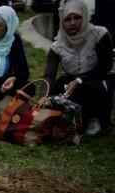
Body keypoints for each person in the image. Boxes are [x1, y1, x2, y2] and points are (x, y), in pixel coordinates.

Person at [43, 0, 113, 136]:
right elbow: (49, 75)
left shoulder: (99, 35)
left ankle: (95, 119)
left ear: (85, 16)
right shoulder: (58, 45)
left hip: (95, 79)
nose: (72, 23)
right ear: (62, 22)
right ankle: (72, 121)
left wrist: (80, 80)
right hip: (70, 81)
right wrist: (43, 96)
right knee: (58, 88)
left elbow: (105, 67)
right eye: (67, 19)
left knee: (91, 87)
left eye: (77, 17)